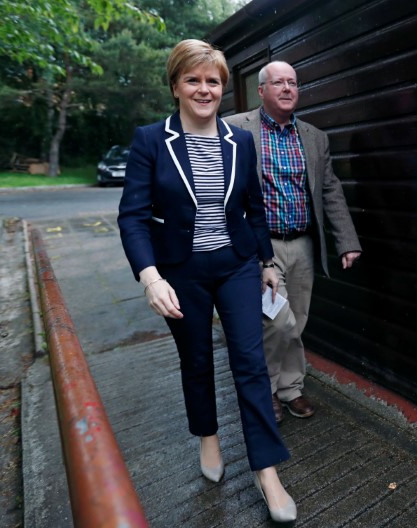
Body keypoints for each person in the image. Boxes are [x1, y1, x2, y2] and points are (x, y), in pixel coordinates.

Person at [117, 40, 295, 523]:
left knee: (250, 362)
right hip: (179, 271)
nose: (204, 89)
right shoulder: (152, 140)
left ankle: (267, 469)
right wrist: (149, 277)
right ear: (175, 85)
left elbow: (253, 209)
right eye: (193, 79)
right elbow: (132, 217)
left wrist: (267, 263)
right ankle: (209, 438)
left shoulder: (240, 141)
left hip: (236, 264)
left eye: (212, 81)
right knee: (196, 360)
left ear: (224, 88)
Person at [224, 61, 362, 423]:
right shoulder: (236, 128)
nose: (287, 88)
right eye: (279, 83)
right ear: (262, 90)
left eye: (293, 83)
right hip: (260, 248)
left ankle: (291, 389)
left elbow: (330, 189)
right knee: (276, 321)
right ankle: (265, 390)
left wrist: (346, 240)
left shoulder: (315, 137)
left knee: (296, 320)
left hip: (302, 244)